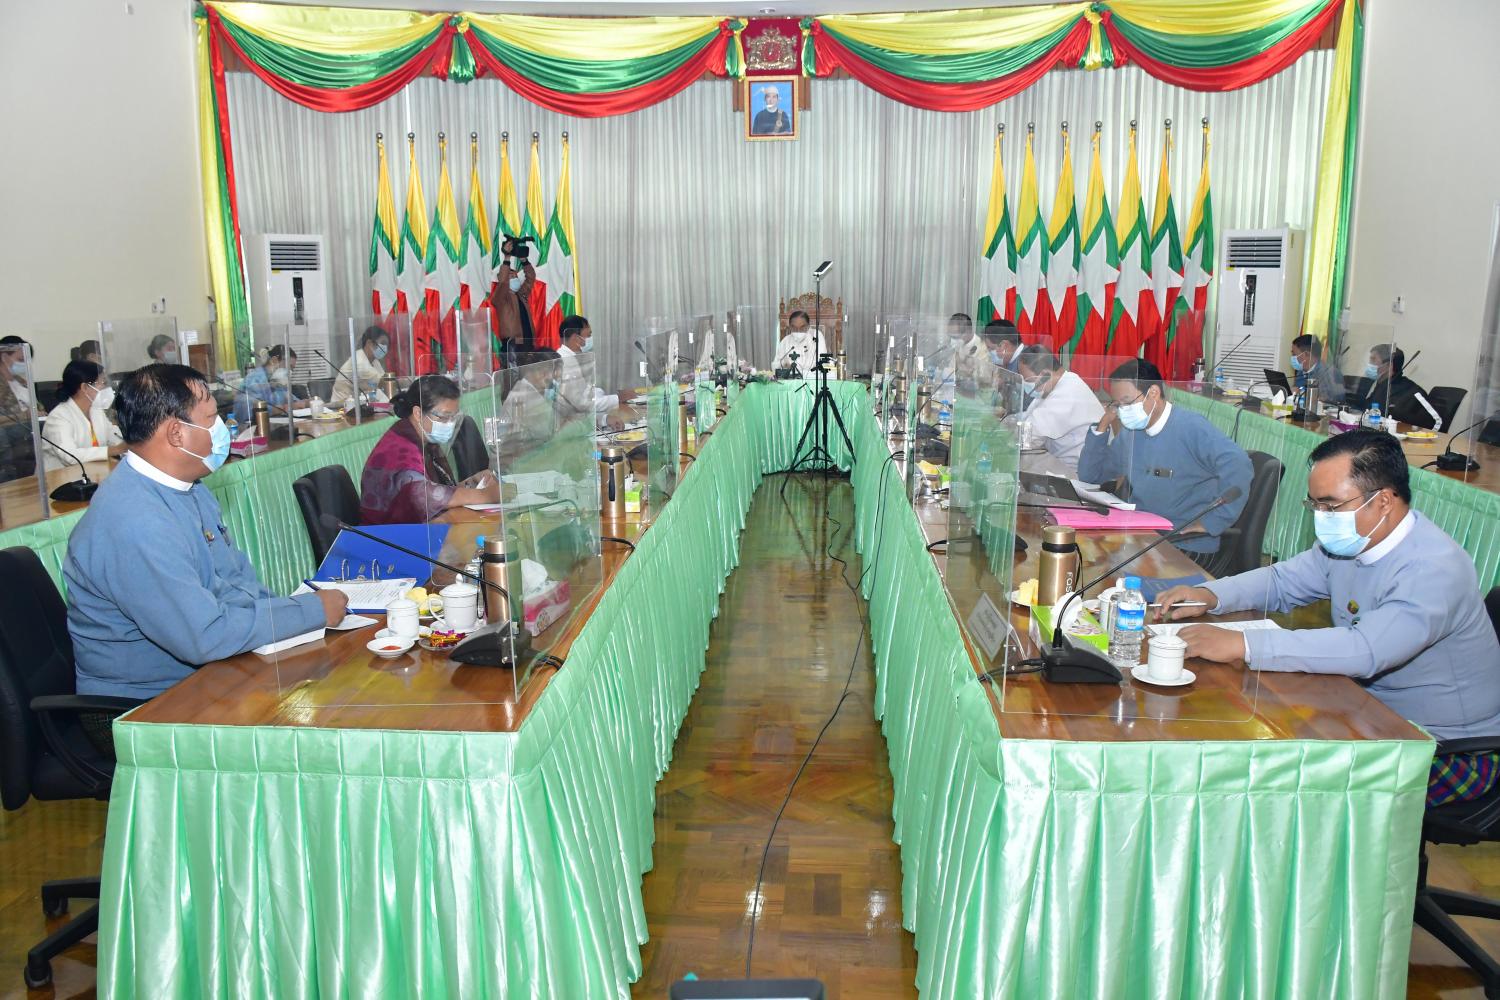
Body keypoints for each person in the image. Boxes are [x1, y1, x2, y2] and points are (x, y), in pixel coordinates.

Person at [1156, 430, 1500, 806]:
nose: (1322, 518)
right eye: (1315, 505)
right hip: (1369, 713)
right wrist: (1212, 595)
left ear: (1384, 501)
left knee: (1283, 784)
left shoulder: (1433, 569)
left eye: (1331, 506)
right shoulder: (1353, 544)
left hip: (1444, 748)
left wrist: (1243, 643)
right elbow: (1283, 581)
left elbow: (1367, 650)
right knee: (1249, 738)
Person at [63, 363, 348, 698]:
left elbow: (236, 582)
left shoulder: (189, 487)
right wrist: (311, 611)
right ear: (176, 433)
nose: (223, 429)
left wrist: (294, 613)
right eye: (212, 418)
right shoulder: (134, 522)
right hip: (150, 701)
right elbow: (204, 635)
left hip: (214, 672)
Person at [1078, 358, 1252, 556]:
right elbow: (1091, 476)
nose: (1123, 410)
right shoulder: (1131, 433)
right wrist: (1102, 426)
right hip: (1143, 535)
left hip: (1183, 542)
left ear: (1153, 393)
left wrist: (1213, 522)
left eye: (1127, 402)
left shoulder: (1191, 427)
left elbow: (1239, 465)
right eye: (1118, 405)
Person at [359, 375, 498, 525]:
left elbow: (437, 492)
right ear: (418, 413)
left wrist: (471, 482)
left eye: (454, 417)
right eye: (444, 417)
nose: (450, 424)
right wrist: (484, 496)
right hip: (386, 534)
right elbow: (424, 497)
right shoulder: (401, 450)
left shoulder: (422, 438)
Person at [1014, 345, 1104, 476]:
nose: (1025, 385)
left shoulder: (1067, 393)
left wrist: (1012, 434)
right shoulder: (1055, 385)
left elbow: (1028, 438)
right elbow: (1027, 418)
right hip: (1059, 461)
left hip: (1077, 473)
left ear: (1045, 375)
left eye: (1027, 380)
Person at [43, 360, 125, 470]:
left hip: (93, 472)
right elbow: (70, 456)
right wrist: (115, 450)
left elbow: (114, 436)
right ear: (85, 387)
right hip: (60, 477)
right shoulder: (59, 417)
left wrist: (130, 443)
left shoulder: (96, 411)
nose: (106, 388)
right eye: (103, 383)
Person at [1353, 343, 1439, 428]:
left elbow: (1435, 423)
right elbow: (1368, 411)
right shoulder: (1382, 385)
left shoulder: (1413, 392)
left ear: (1389, 365)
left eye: (1373, 359)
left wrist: (1398, 414)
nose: (1369, 364)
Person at [556, 316, 621, 426]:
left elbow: (586, 392)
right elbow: (581, 404)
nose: (591, 339)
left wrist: (605, 417)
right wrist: (618, 399)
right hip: (570, 427)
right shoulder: (565, 363)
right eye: (589, 335)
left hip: (583, 421)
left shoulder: (573, 357)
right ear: (575, 338)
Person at [499, 352, 564, 453]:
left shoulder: (524, 389)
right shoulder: (527, 396)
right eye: (551, 375)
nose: (551, 379)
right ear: (542, 373)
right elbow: (547, 435)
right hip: (516, 457)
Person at [488, 237, 537, 365]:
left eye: (515, 275)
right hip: (512, 345)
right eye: (511, 276)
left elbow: (531, 278)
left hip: (528, 342)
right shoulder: (500, 298)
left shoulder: (521, 294)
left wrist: (524, 260)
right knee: (514, 375)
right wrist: (507, 257)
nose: (515, 278)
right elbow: (503, 282)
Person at [237, 345, 304, 421]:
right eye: (289, 367)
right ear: (274, 361)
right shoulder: (253, 379)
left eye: (292, 368)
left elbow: (292, 400)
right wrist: (284, 408)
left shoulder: (277, 381)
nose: (290, 371)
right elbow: (249, 412)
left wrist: (307, 402)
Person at [332, 326, 390, 406]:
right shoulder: (359, 361)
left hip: (358, 405)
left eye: (387, 345)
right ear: (369, 343)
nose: (385, 348)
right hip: (341, 407)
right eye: (383, 343)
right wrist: (406, 381)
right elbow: (384, 382)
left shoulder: (374, 361)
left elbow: (384, 382)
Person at [1289, 334, 1344, 408]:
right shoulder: (1301, 371)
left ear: (1306, 354)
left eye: (1294, 354)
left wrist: (1302, 394)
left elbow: (1329, 402)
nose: (1292, 358)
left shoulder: (1329, 373)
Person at [773, 311, 827, 377]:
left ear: (808, 326)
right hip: (791, 379)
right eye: (794, 327)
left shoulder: (816, 336)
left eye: (802, 327)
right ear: (790, 326)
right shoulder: (785, 341)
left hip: (812, 378)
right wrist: (784, 364)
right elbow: (776, 365)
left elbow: (822, 361)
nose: (798, 331)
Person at [0, 336, 42, 415]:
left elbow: (39, 407)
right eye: (21, 360)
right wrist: (26, 415)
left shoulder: (22, 381)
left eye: (27, 361)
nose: (24, 364)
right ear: (4, 357)